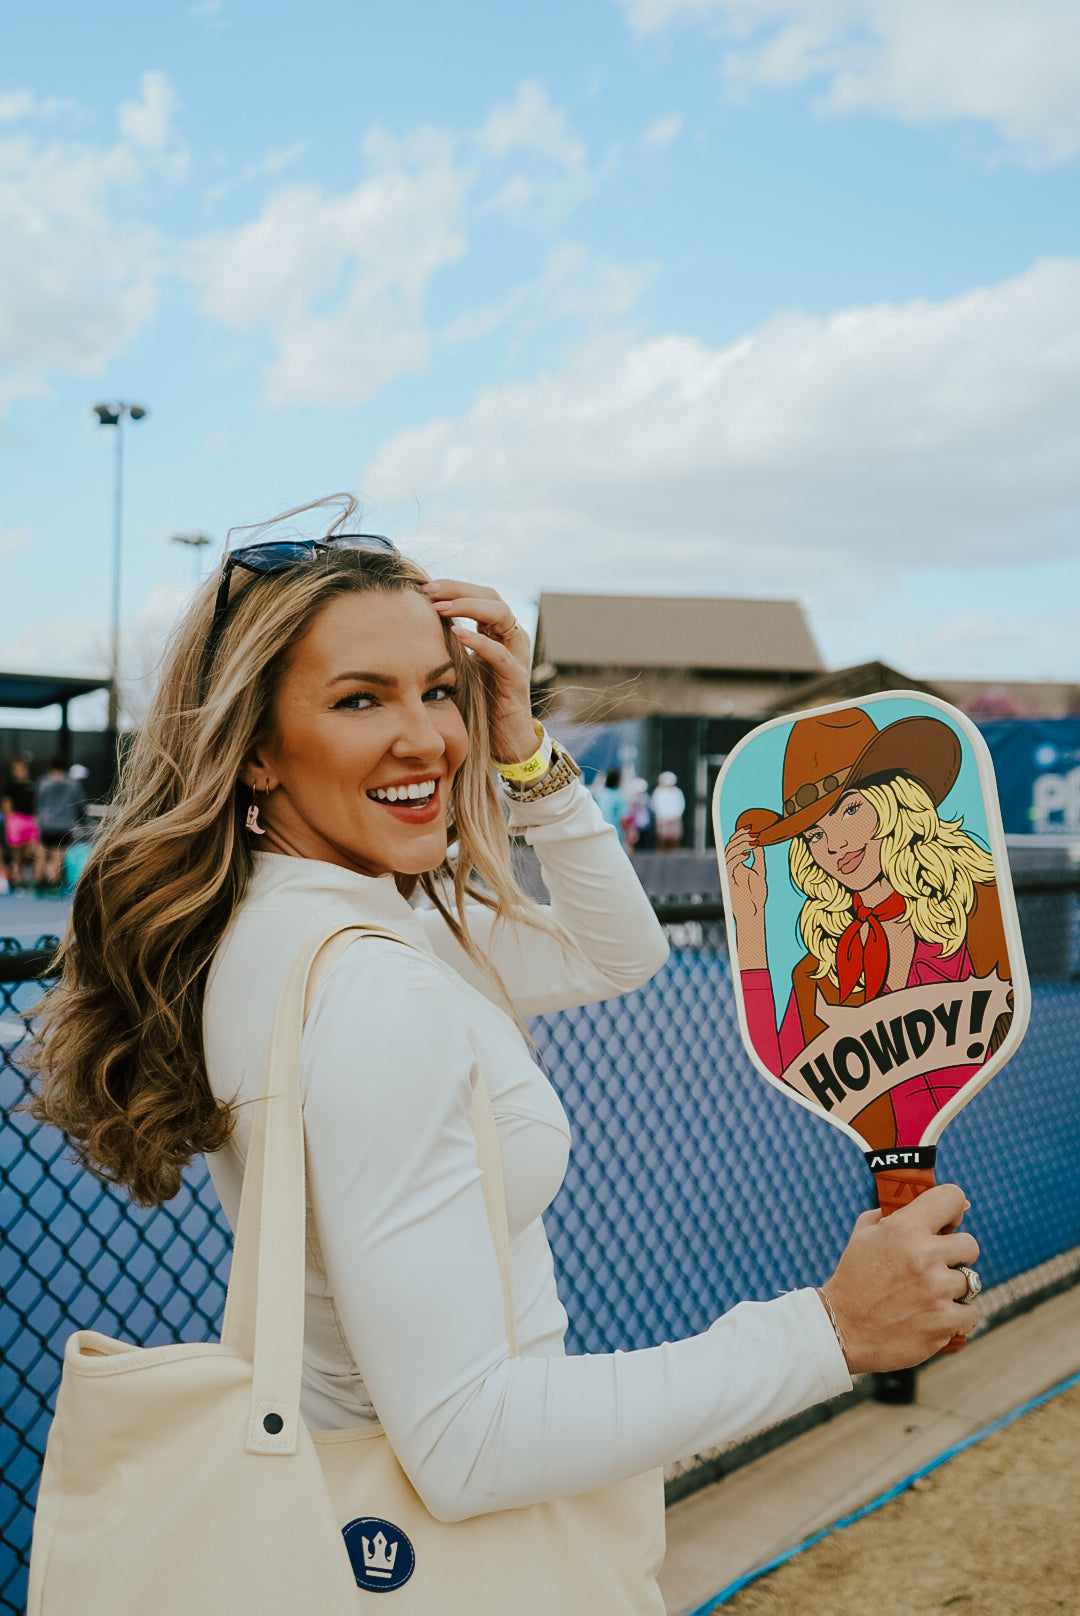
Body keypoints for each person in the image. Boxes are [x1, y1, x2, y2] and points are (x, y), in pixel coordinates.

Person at [29, 501, 978, 1592]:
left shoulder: (302, 916)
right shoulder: (374, 983)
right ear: (253, 750)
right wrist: (828, 1328)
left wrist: (523, 750)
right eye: (358, 698)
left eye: (440, 688)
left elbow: (620, 954)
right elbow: (469, 1441)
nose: (428, 735)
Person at [724, 707, 1011, 1151]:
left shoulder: (978, 904)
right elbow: (782, 1067)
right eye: (813, 836)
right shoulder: (819, 970)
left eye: (849, 810)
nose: (834, 845)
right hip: (888, 1165)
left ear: (895, 802)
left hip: (984, 1151)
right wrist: (751, 925)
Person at [34, 759, 85, 889]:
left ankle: (38, 882)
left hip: (46, 824)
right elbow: (80, 804)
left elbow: (39, 801)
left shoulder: (44, 782)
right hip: (63, 825)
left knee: (42, 853)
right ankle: (52, 883)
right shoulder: (73, 784)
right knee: (57, 855)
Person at [2, 757, 41, 889]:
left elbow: (36, 803)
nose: (20, 771)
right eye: (17, 769)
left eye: (22, 768)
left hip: (31, 820)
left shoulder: (33, 784)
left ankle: (27, 877)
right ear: (13, 771)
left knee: (30, 852)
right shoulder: (10, 785)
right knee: (17, 854)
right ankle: (18, 879)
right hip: (16, 820)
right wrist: (10, 819)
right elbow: (6, 804)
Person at [597, 766, 631, 848]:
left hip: (601, 833)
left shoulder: (602, 795)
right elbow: (624, 819)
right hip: (615, 835)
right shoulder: (620, 796)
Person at [651, 770, 685, 851]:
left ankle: (674, 850)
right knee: (662, 836)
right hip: (662, 817)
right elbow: (655, 804)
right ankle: (662, 851)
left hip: (675, 817)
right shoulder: (658, 791)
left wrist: (677, 815)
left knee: (674, 836)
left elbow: (681, 804)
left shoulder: (677, 791)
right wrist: (660, 815)